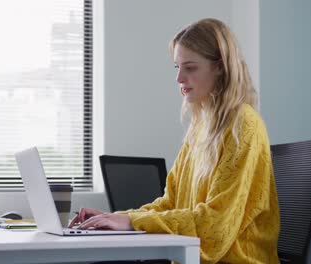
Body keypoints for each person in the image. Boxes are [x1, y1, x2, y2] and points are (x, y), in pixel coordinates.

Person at [69, 18, 280, 264]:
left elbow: (215, 225)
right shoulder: (200, 127)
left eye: (190, 68)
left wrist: (131, 222)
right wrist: (116, 217)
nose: (179, 78)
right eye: (177, 67)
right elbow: (170, 203)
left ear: (220, 67)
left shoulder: (243, 125)